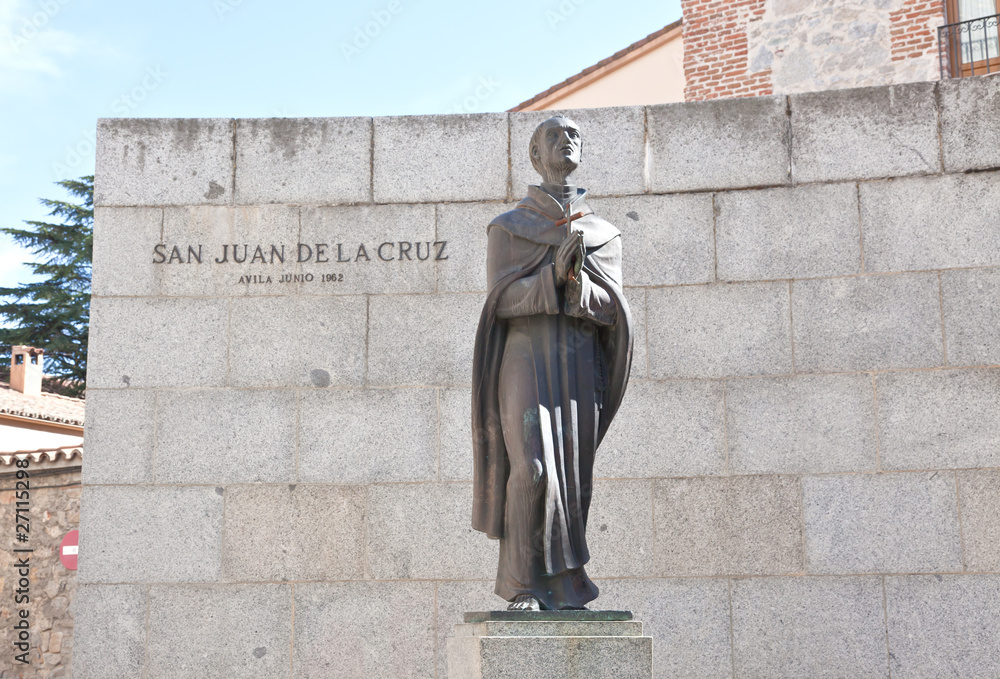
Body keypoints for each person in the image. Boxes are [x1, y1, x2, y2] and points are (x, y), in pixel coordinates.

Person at [471, 116, 633, 611]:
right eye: (554, 135)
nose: (567, 140)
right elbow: (499, 301)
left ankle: (565, 586)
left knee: (572, 473)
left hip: (580, 363)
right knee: (534, 467)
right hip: (524, 356)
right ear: (535, 156)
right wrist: (551, 280)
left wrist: (577, 285)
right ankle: (521, 585)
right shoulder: (509, 227)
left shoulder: (603, 235)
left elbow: (613, 311)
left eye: (575, 135)